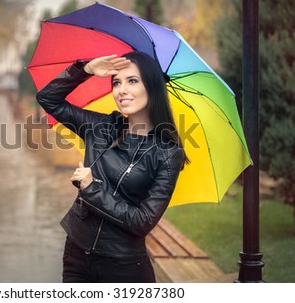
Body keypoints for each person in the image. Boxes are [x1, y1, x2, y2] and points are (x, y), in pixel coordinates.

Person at [36, 52, 188, 283]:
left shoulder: (167, 153)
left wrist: (91, 188)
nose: (121, 90)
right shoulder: (101, 128)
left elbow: (142, 222)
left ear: (153, 87)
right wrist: (85, 70)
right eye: (117, 82)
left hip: (124, 267)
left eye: (132, 81)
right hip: (77, 256)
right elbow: (48, 99)